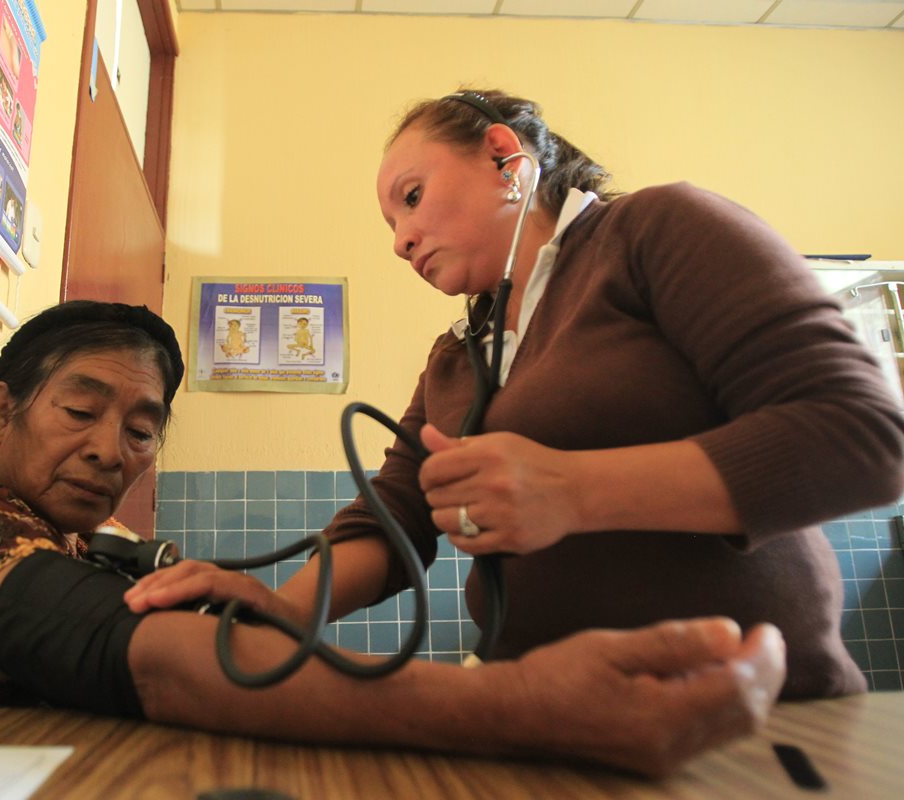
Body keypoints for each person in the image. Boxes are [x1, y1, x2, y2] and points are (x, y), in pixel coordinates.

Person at [125, 89, 904, 701]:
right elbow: (392, 517)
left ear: (505, 157)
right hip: (547, 713)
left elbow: (864, 437)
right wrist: (285, 609)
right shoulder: (456, 359)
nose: (398, 238)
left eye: (412, 195)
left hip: (755, 709)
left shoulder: (655, 232)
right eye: (390, 222)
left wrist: (573, 491)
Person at [0, 300, 785, 778]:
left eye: (141, 428)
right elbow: (144, 659)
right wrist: (523, 703)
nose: (108, 450)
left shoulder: (85, 540)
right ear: (4, 405)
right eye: (81, 408)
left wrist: (272, 609)